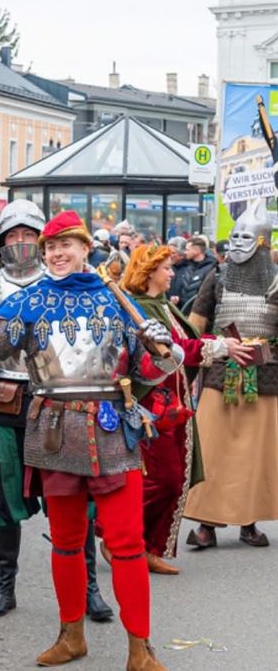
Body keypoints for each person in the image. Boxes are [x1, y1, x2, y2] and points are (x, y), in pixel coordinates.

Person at [0, 210, 181, 670]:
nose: (56, 253)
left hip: (112, 430)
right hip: (53, 432)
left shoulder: (116, 300)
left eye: (66, 245)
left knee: (127, 543)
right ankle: (71, 635)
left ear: (84, 249)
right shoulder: (29, 302)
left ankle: (140, 648)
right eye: (50, 247)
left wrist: (163, 348)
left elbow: (149, 372)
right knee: (67, 543)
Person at [121, 245, 251, 574]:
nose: (171, 274)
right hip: (152, 408)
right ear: (149, 272)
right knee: (161, 480)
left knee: (175, 478)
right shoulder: (142, 309)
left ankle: (148, 547)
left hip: (175, 406)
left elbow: (186, 338)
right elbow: (172, 349)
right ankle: (119, 539)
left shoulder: (163, 306)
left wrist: (221, 342)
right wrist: (219, 346)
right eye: (165, 268)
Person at [184, 201, 278, 549]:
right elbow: (195, 328)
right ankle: (207, 524)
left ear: (263, 242)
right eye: (234, 235)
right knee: (212, 451)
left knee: (253, 456)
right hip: (220, 375)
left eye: (246, 236)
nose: (237, 242)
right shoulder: (218, 277)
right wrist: (194, 362)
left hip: (265, 377)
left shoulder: (277, 280)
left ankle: (248, 523)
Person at [171, 235, 217, 315]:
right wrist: (179, 299)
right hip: (183, 312)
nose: (185, 252)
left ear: (196, 251)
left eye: (188, 250)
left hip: (200, 314)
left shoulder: (211, 268)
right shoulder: (187, 266)